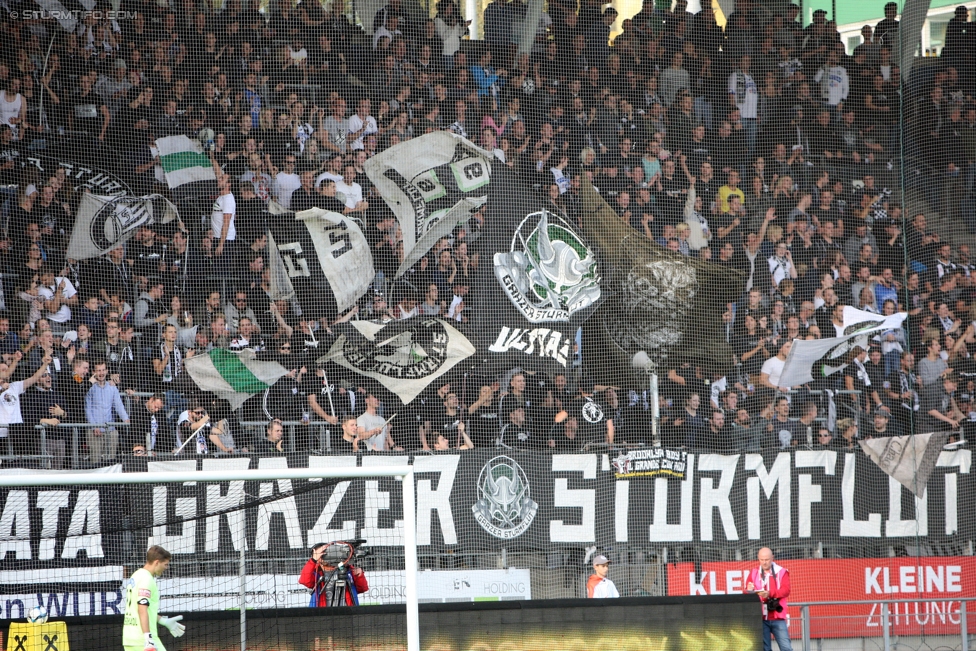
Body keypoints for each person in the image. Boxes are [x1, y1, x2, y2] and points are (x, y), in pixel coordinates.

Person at [122, 545, 186, 651]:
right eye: (165, 564)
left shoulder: (136, 575)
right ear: (157, 562)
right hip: (143, 640)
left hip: (130, 640)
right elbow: (142, 609)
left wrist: (163, 621)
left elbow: (141, 609)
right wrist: (148, 639)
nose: (166, 567)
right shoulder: (146, 579)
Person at [746, 547, 792, 651]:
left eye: (766, 559)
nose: (764, 562)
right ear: (758, 559)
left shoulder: (782, 572)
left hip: (777, 617)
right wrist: (748, 590)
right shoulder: (754, 572)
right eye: (762, 560)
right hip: (761, 617)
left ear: (772, 558)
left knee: (786, 648)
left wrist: (770, 594)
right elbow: (746, 592)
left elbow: (786, 590)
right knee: (765, 649)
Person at [299, 541, 369, 607]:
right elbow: (304, 580)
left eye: (325, 553)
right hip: (323, 614)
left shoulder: (347, 570)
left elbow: (362, 589)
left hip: (347, 613)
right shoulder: (316, 573)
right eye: (320, 554)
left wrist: (359, 576)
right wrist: (313, 560)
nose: (323, 557)